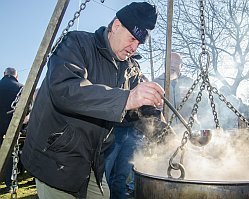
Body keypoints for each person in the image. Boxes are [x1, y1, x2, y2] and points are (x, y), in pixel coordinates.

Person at [21, 2, 167, 199]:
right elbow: (65, 89)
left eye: (139, 43)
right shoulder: (77, 43)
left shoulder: (130, 68)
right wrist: (127, 98)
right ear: (116, 26)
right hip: (56, 156)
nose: (134, 47)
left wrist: (175, 140)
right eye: (132, 38)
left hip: (92, 160)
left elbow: (144, 111)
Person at [154, 52, 195, 125]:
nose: (172, 65)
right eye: (170, 62)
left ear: (181, 66)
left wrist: (193, 96)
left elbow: (204, 104)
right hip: (164, 129)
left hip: (187, 127)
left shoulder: (190, 82)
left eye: (176, 63)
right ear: (165, 64)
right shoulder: (156, 83)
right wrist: (156, 105)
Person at [0, 67, 23, 192]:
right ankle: (9, 183)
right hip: (11, 126)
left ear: (4, 74)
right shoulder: (21, 88)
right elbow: (27, 108)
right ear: (16, 76)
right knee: (10, 154)